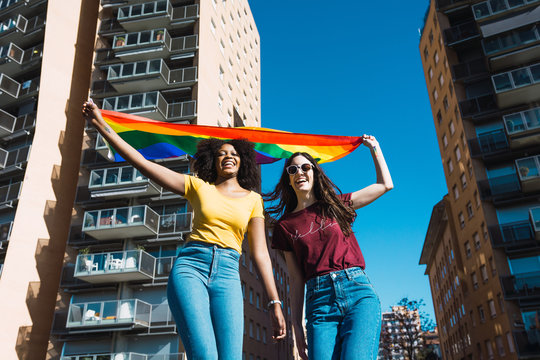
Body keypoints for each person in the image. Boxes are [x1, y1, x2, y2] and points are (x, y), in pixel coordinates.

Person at [82, 101, 286, 359]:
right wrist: (101, 125)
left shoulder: (252, 200)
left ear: (243, 160)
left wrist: (274, 302)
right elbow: (146, 165)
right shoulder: (199, 187)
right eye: (222, 153)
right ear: (213, 161)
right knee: (205, 356)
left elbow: (261, 255)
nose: (229, 156)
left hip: (228, 274)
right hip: (191, 268)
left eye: (234, 153)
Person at [265, 135, 393, 360]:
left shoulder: (337, 204)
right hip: (319, 302)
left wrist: (375, 148)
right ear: (288, 178)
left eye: (305, 167)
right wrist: (296, 326)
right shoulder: (285, 226)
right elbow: (296, 280)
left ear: (315, 172)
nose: (299, 173)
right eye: (292, 170)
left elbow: (385, 185)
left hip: (358, 293)